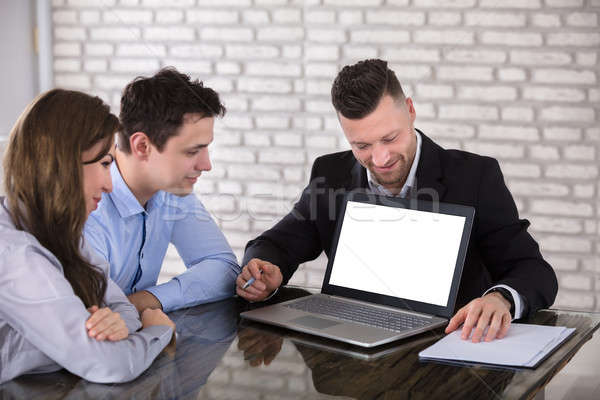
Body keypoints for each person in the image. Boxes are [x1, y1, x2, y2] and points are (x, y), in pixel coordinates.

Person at [236, 59, 558, 343]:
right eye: (361, 145)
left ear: (411, 110)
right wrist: (265, 271)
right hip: (350, 347)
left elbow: (532, 269)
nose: (380, 158)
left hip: (446, 346)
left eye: (390, 138)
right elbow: (275, 244)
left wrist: (500, 299)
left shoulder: (475, 176)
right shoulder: (330, 173)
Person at [0, 89, 175, 384]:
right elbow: (109, 364)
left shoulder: (65, 233)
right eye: (105, 164)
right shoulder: (15, 256)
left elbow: (123, 309)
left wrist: (110, 325)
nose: (109, 185)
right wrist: (157, 330)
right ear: (64, 163)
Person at [83, 68, 240, 314]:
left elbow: (224, 269)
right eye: (192, 151)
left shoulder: (170, 191)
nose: (206, 165)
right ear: (142, 145)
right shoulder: (89, 208)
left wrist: (146, 300)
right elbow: (97, 315)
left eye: (206, 149)